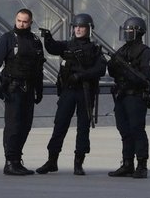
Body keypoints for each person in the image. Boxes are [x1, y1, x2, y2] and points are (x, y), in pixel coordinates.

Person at [34, 13, 106, 175]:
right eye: (76, 26)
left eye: (82, 26)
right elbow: (53, 48)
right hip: (68, 92)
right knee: (60, 125)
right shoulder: (67, 45)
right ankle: (52, 161)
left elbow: (100, 69)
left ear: (89, 29)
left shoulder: (95, 49)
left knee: (83, 128)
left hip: (85, 93)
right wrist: (48, 37)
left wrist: (81, 75)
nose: (78, 29)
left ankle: (78, 163)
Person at [0, 8, 45, 176]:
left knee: (25, 126)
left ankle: (17, 160)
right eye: (19, 20)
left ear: (31, 22)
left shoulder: (35, 41)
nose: (21, 24)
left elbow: (38, 68)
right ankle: (9, 162)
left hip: (29, 89)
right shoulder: (7, 39)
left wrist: (39, 90)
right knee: (13, 126)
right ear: (15, 19)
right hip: (13, 89)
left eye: (25, 21)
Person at [106, 16, 150, 179]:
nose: (126, 33)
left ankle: (142, 165)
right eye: (125, 30)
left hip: (135, 97)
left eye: (129, 30)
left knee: (137, 130)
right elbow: (112, 70)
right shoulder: (123, 50)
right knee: (124, 130)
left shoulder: (145, 52)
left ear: (137, 32)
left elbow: (144, 77)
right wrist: (114, 64)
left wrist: (125, 69)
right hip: (121, 96)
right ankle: (127, 163)